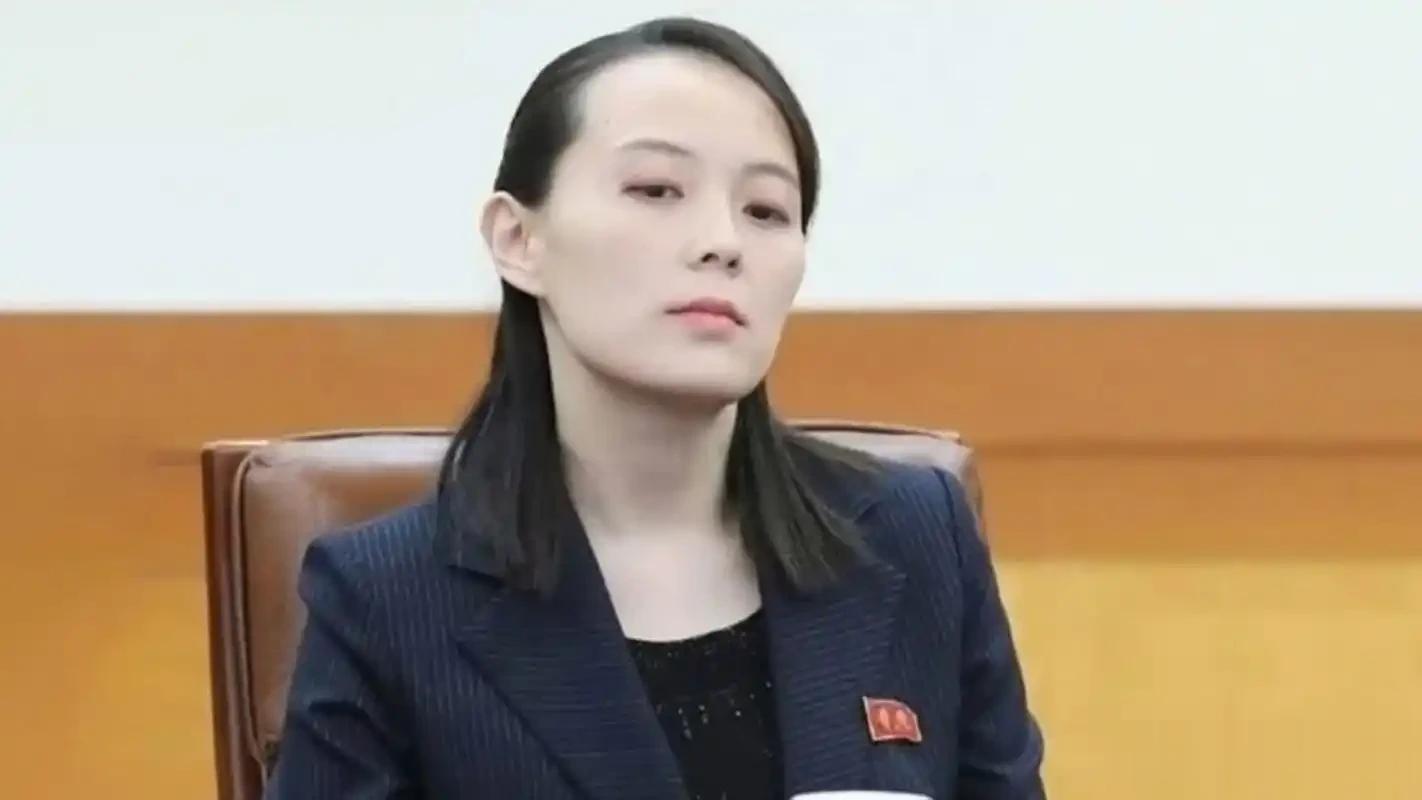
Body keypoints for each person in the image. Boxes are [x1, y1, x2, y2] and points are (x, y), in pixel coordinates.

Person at [267, 16, 1044, 800]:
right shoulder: (384, 597)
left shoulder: (918, 537)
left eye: (766, 210)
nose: (722, 241)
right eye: (655, 190)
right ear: (518, 239)